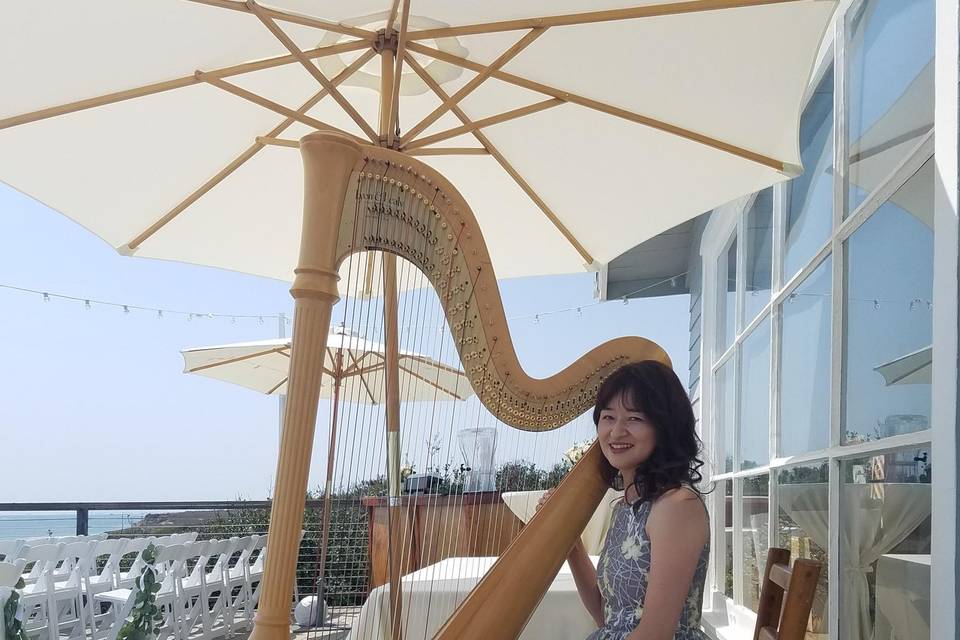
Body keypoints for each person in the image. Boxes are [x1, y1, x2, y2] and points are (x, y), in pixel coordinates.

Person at [538, 360, 710, 640]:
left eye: (635, 418)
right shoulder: (625, 506)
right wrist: (571, 545)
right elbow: (606, 615)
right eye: (608, 417)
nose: (616, 432)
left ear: (664, 427)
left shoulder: (677, 506)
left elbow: (655, 634)